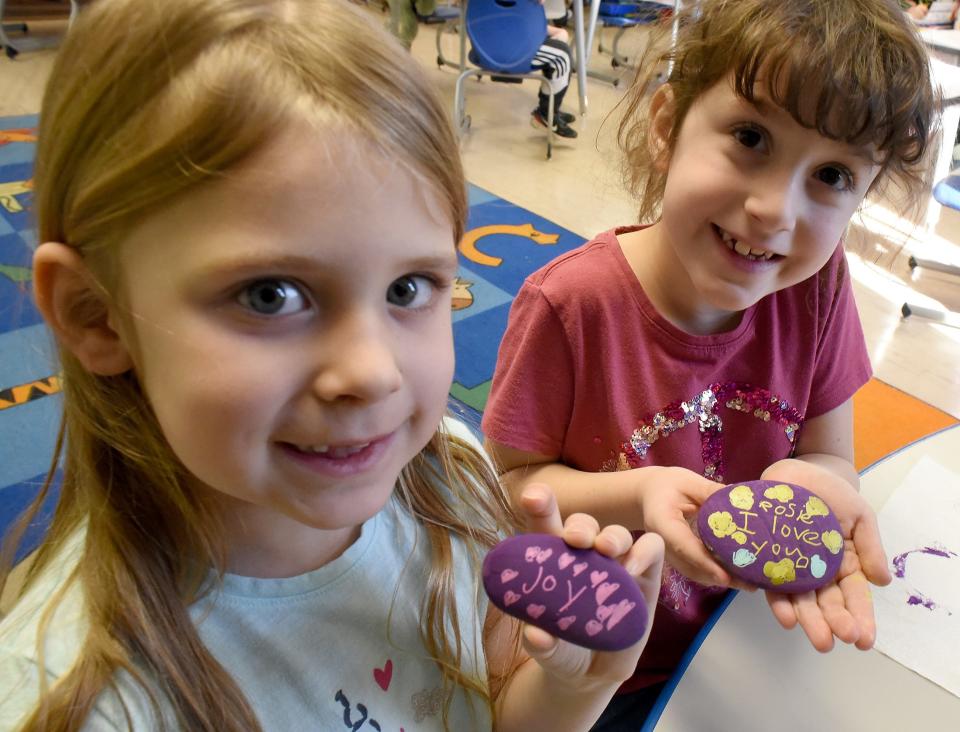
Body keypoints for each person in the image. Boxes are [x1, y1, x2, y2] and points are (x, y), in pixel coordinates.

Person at [0, 1, 667, 730]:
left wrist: (571, 689)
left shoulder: (451, 474)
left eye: (408, 289)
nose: (372, 373)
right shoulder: (80, 702)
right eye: (270, 295)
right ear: (96, 313)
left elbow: (495, 704)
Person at [481, 0, 935, 728]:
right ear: (667, 127)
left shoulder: (817, 289)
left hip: (743, 638)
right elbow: (508, 491)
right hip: (587, 663)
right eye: (751, 137)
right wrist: (641, 492)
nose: (774, 209)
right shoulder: (570, 304)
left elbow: (830, 457)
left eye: (832, 177)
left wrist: (810, 480)